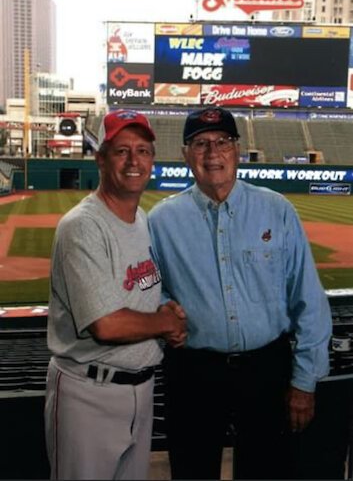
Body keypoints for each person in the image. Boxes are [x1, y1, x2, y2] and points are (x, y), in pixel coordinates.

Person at [148, 106, 332, 480]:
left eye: (222, 142)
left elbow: (309, 300)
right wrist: (163, 311)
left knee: (266, 470)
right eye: (200, 143)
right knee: (192, 469)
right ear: (185, 154)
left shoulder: (276, 209)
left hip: (267, 369)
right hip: (193, 373)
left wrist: (304, 380)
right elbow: (149, 293)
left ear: (237, 149)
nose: (212, 153)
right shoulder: (161, 222)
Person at [44, 109, 187, 480]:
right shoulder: (82, 226)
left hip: (141, 390)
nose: (134, 160)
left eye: (143, 150)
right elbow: (105, 324)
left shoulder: (141, 221)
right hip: (88, 393)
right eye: (122, 150)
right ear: (101, 158)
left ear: (153, 160)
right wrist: (163, 322)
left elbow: (140, 290)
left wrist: (166, 316)